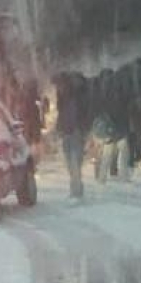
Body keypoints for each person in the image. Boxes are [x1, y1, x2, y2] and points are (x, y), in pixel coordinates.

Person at [53, 71, 89, 200]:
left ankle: (77, 190)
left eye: (59, 86)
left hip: (75, 132)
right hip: (68, 131)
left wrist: (80, 130)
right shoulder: (64, 98)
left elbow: (73, 115)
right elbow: (62, 115)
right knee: (71, 162)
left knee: (74, 161)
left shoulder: (75, 98)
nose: (58, 89)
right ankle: (76, 187)